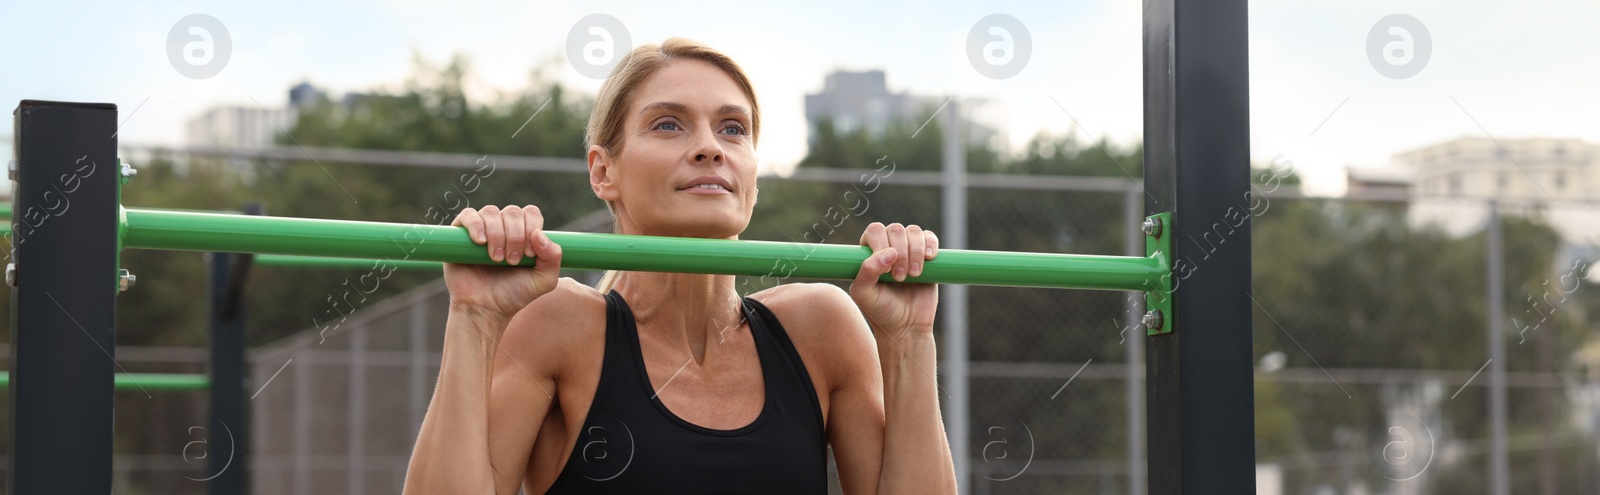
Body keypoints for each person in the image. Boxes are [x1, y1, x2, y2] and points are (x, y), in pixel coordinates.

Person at [404, 38, 957, 494]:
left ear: (753, 173)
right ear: (603, 172)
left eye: (733, 128)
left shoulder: (821, 326)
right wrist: (474, 317)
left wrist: (909, 338)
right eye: (668, 124)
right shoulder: (560, 324)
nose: (710, 147)